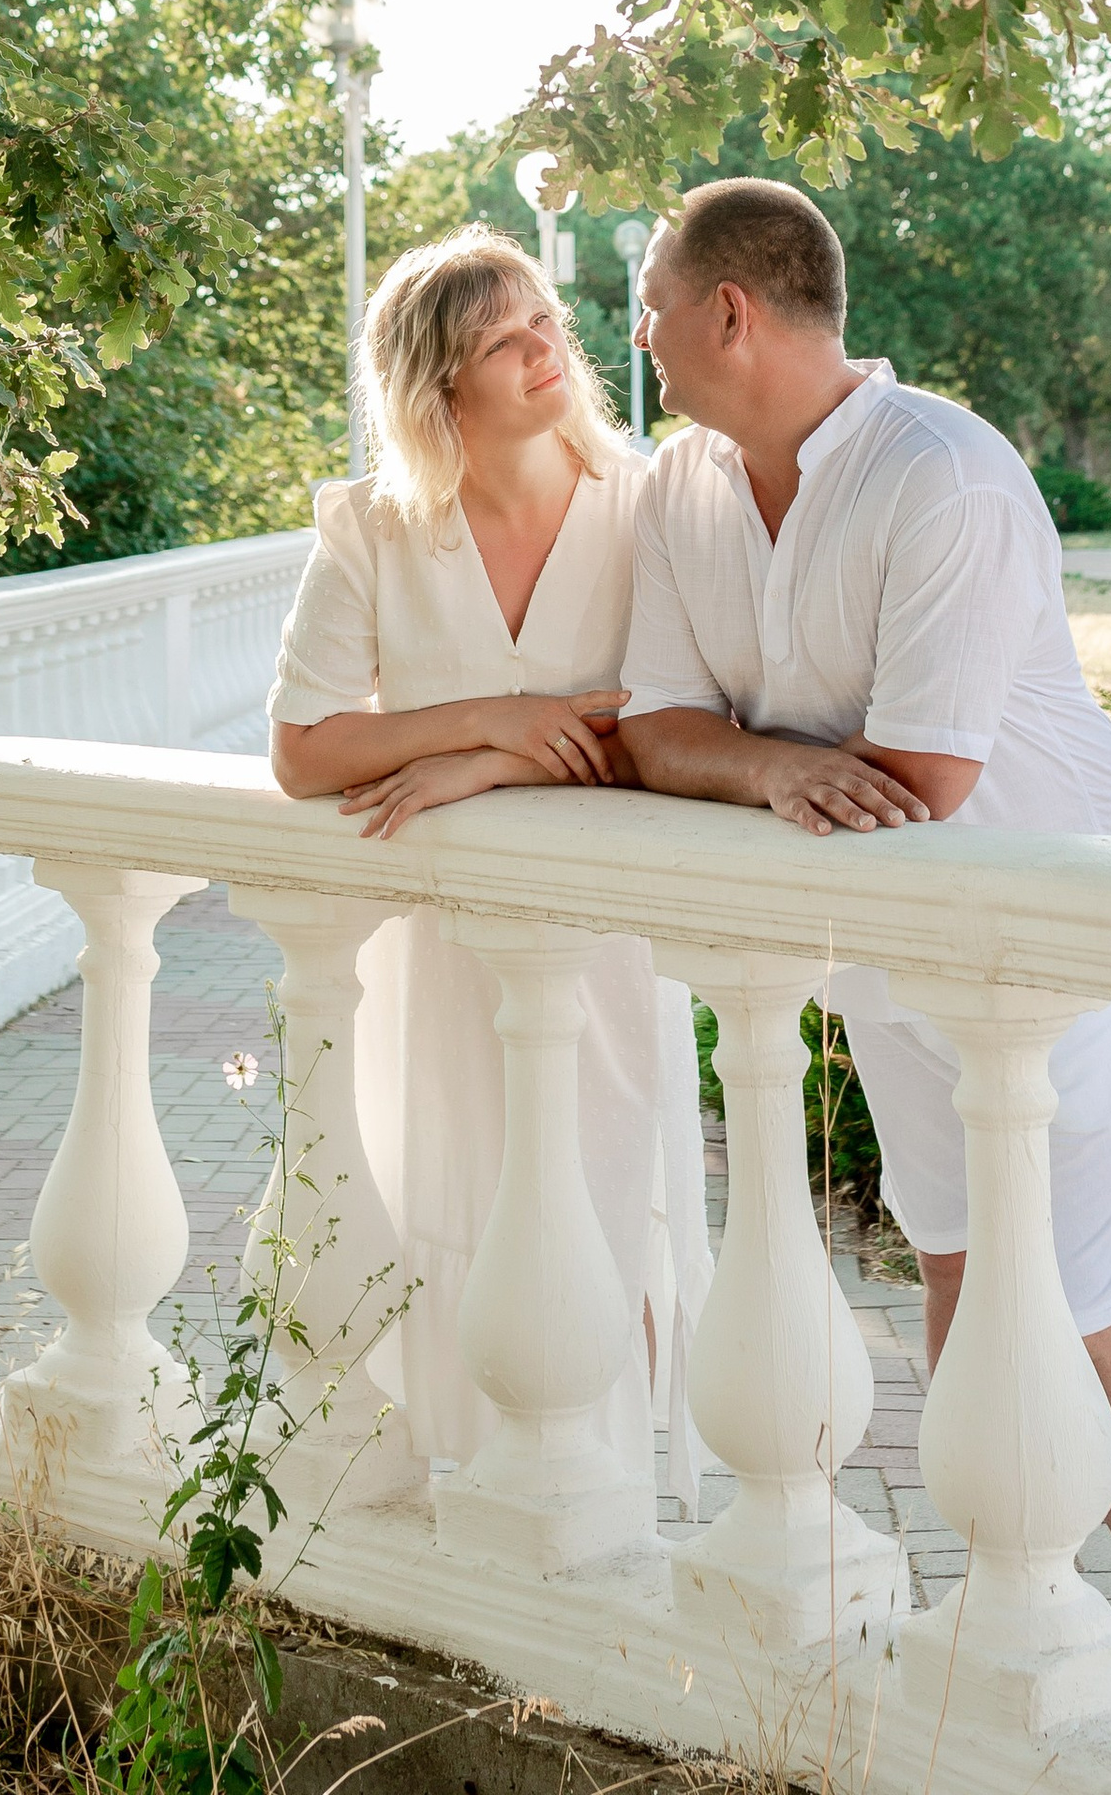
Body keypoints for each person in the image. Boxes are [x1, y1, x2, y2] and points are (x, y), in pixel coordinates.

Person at [618, 175, 1111, 1703]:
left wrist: (754, 757)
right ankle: (1017, 1610)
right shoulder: (681, 487)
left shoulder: (944, 474)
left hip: (1045, 940)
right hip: (880, 954)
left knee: (1077, 1312)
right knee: (958, 1266)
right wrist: (764, 765)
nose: (639, 335)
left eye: (653, 305)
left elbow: (927, 781)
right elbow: (657, 727)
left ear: (731, 313)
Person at [267, 226, 708, 1492]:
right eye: (500, 339)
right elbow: (305, 748)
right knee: (448, 1211)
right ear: (436, 386)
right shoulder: (371, 530)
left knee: (609, 1209)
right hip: (442, 953)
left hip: (608, 942)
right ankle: (477, 1507)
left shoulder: (652, 507)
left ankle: (603, 1506)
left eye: (544, 323)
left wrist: (494, 765)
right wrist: (488, 719)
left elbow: (683, 705)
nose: (543, 349)